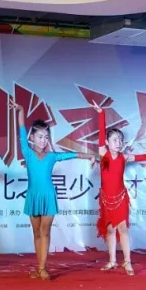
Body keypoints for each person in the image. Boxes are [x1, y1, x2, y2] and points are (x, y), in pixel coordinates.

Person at [10, 98, 96, 280]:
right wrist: (21, 110)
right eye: (40, 137)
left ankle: (42, 268)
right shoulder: (27, 152)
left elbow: (72, 154)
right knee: (36, 233)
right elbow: (21, 129)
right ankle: (39, 267)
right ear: (32, 138)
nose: (43, 140)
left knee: (45, 231)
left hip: (48, 196)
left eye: (46, 137)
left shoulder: (52, 156)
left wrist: (90, 156)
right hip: (33, 196)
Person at [91, 101, 146, 275]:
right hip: (106, 199)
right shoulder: (103, 154)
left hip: (120, 198)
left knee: (123, 229)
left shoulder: (124, 157)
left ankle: (127, 262)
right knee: (109, 229)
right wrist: (101, 113)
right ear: (107, 142)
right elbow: (101, 132)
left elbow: (145, 157)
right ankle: (112, 261)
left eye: (120, 140)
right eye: (114, 140)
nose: (118, 143)